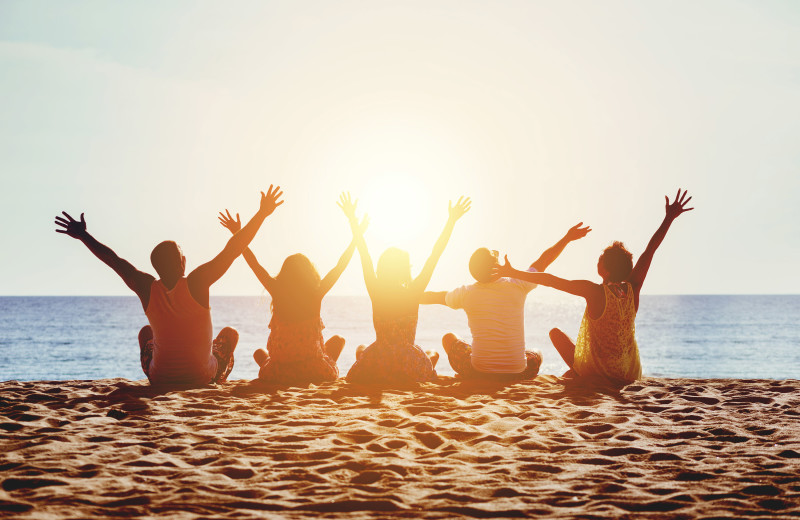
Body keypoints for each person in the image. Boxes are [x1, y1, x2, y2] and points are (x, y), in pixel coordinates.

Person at [54, 185, 284, 386]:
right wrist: (262, 213)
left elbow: (114, 260)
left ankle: (173, 371)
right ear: (182, 262)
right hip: (202, 377)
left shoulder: (145, 286)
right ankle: (219, 378)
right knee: (230, 334)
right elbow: (233, 249)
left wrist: (84, 236)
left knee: (146, 333)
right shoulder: (197, 282)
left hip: (159, 377)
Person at [495, 189, 694, 385]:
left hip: (597, 372)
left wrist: (512, 273)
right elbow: (650, 250)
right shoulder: (633, 287)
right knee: (571, 364)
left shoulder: (594, 291)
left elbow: (550, 280)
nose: (597, 261)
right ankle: (574, 374)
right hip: (627, 372)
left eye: (600, 260)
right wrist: (669, 218)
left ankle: (577, 373)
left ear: (605, 270)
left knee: (555, 334)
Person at [217, 200, 367, 385]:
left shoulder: (276, 289)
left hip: (278, 372)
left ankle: (275, 364)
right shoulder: (316, 293)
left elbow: (253, 263)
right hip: (313, 371)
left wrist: (237, 233)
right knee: (338, 341)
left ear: (284, 274)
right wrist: (355, 233)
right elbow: (340, 266)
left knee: (259, 354)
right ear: (310, 274)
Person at [421, 222, 592, 380]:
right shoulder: (518, 284)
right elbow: (544, 261)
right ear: (495, 264)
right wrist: (567, 238)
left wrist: (407, 296)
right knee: (537, 352)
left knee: (449, 338)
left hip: (478, 372)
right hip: (519, 372)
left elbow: (435, 296)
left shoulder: (466, 293)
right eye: (494, 255)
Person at [340, 192, 471, 384]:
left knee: (362, 349)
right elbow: (435, 255)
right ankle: (430, 359)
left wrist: (352, 219)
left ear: (382, 268)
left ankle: (426, 358)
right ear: (405, 269)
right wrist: (451, 221)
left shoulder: (375, 289)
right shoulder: (413, 291)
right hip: (407, 361)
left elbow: (364, 253)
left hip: (379, 360)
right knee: (431, 354)